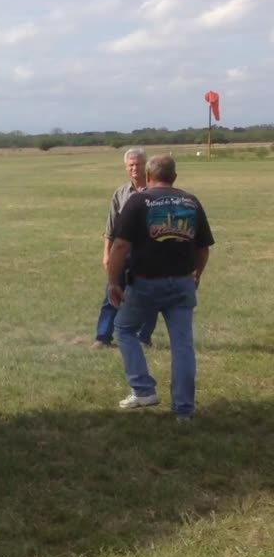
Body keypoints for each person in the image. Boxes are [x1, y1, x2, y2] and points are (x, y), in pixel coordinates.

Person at [107, 155, 213, 421]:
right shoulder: (191, 201)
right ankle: (184, 410)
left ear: (149, 176)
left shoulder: (139, 201)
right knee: (183, 345)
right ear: (174, 176)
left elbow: (119, 246)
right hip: (182, 284)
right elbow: (203, 247)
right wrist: (197, 274)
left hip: (145, 284)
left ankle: (143, 389)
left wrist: (113, 282)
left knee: (124, 328)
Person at [94, 147, 157, 349]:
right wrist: (106, 254)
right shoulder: (120, 193)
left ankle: (143, 337)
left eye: (138, 164)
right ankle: (103, 337)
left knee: (148, 296)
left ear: (146, 167)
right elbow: (110, 227)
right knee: (112, 293)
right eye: (131, 165)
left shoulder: (157, 192)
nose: (135, 168)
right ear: (125, 168)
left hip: (148, 254)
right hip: (122, 252)